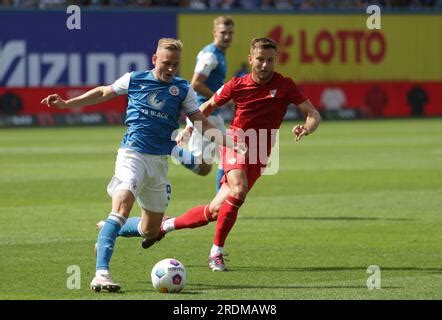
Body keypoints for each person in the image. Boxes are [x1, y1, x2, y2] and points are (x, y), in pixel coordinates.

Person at [40, 38, 245, 292]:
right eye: (166, 63)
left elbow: (200, 120)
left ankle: (110, 228)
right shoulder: (135, 79)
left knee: (150, 230)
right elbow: (104, 91)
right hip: (132, 154)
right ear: (154, 59)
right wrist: (67, 104)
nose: (170, 69)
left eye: (175, 64)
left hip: (159, 162)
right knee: (123, 205)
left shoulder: (182, 89)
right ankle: (101, 274)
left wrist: (228, 141)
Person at [150, 37, 321, 271]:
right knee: (239, 191)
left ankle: (166, 225)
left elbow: (312, 113)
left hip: (261, 151)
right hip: (235, 143)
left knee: (214, 211)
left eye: (270, 60)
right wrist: (189, 128)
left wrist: (307, 127)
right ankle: (216, 253)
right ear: (251, 59)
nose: (264, 65)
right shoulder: (237, 84)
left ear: (275, 61)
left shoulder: (285, 85)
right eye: (260, 59)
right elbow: (207, 106)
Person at [179, 15, 234, 191]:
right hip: (202, 112)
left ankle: (222, 205)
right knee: (204, 168)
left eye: (230, 33)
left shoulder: (218, 54)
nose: (227, 36)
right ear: (214, 32)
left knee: (227, 156)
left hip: (213, 113)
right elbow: (196, 83)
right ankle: (169, 147)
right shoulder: (211, 55)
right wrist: (220, 98)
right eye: (223, 32)